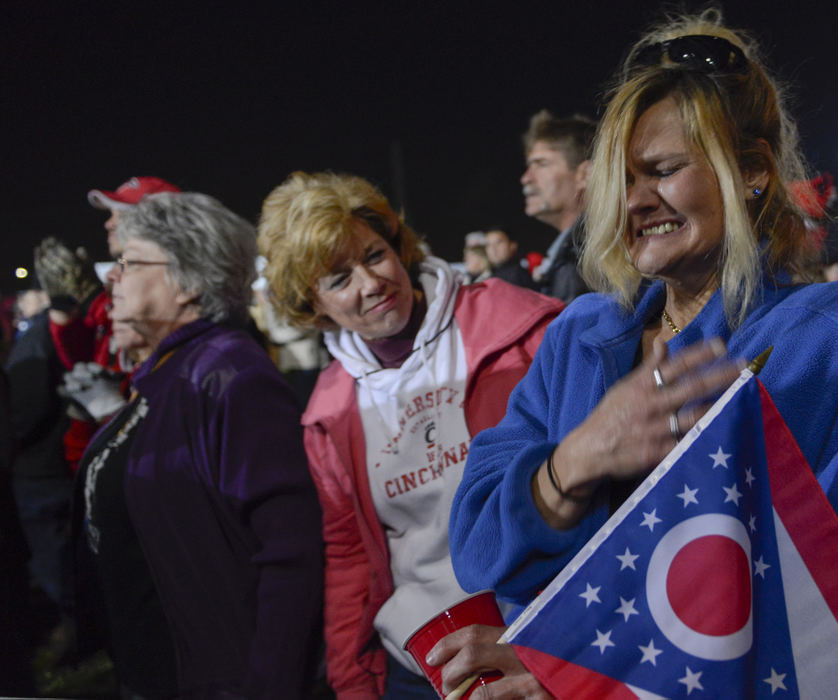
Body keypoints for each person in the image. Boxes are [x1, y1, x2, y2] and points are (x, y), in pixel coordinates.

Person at [436, 11, 838, 697]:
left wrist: (572, 662)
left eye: (662, 170)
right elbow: (476, 546)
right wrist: (575, 462)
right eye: (620, 178)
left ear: (751, 174)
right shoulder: (579, 334)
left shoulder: (814, 342)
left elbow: (802, 592)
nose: (635, 201)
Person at [257, 172, 563, 698]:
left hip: (538, 641)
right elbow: (350, 556)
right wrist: (354, 684)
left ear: (400, 248)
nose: (370, 283)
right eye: (337, 278)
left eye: (374, 255)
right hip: (422, 665)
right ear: (313, 306)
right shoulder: (329, 411)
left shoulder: (518, 329)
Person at [81, 191, 324, 698]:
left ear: (188, 281)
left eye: (129, 261)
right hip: (162, 670)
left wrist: (267, 686)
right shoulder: (171, 374)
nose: (111, 276)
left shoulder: (228, 374)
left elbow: (291, 551)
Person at [521, 111, 596, 302]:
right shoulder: (572, 253)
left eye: (541, 164)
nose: (526, 178)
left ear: (585, 174)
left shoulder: (582, 260)